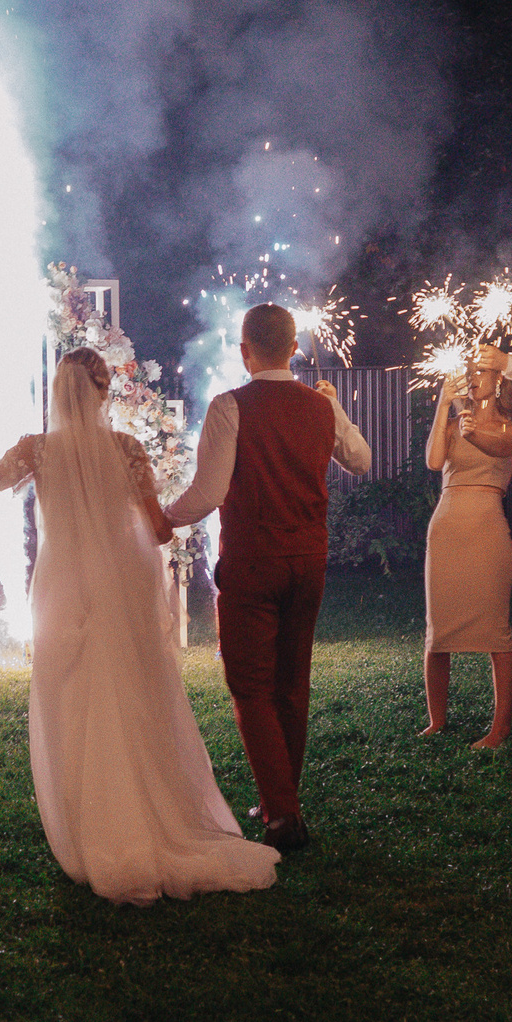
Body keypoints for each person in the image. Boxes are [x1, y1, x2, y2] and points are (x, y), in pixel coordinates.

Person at [0, 351, 282, 901]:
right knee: (129, 697)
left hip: (60, 592)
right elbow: (156, 532)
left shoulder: (37, 450)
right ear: (104, 392)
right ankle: (144, 819)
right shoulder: (127, 450)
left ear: (59, 393)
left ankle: (88, 829)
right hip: (119, 593)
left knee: (71, 701)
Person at [162, 304, 373, 851]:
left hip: (254, 564)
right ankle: (284, 797)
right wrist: (336, 411)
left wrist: (160, 521)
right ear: (295, 347)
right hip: (309, 563)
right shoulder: (320, 407)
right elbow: (362, 460)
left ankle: (281, 813)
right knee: (291, 682)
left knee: (251, 687)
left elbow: (208, 494)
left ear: (244, 350)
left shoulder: (230, 407)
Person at [420, 344, 512, 748]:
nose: (473, 377)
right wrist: (444, 406)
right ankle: (437, 719)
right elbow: (433, 462)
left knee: (495, 629)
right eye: (469, 372)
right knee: (439, 629)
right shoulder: (452, 423)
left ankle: (499, 729)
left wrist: (473, 431)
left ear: (499, 378)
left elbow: (497, 447)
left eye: (480, 371)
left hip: (486, 526)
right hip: (446, 525)